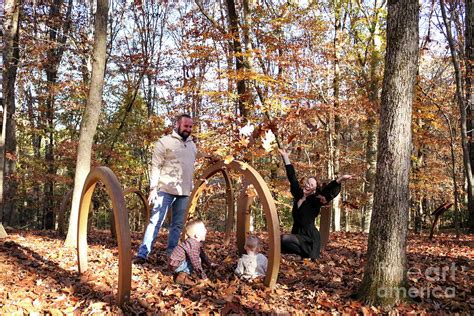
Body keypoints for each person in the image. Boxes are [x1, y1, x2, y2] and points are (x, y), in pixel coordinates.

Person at [133, 114, 197, 264]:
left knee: (177, 225)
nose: (188, 129)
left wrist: (211, 157)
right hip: (164, 190)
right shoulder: (164, 142)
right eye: (185, 126)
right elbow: (156, 165)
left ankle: (171, 255)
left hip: (184, 191)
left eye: (190, 126)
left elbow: (193, 159)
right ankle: (143, 254)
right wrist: (153, 188)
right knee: (155, 222)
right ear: (177, 125)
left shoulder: (192, 145)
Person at [278, 148, 354, 260]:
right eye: (307, 183)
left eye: (311, 185)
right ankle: (301, 255)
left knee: (284, 238)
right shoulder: (298, 194)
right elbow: (292, 177)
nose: (308, 186)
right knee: (280, 241)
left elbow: (328, 191)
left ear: (314, 190)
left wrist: (340, 179)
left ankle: (308, 254)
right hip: (297, 233)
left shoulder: (315, 200)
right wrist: (285, 157)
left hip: (310, 237)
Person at [168, 220, 215, 285]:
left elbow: (202, 254)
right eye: (203, 229)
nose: (206, 230)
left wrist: (210, 264)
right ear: (196, 235)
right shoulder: (192, 245)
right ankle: (181, 277)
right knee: (197, 260)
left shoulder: (194, 242)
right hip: (176, 265)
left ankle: (181, 273)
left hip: (175, 263)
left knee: (198, 257)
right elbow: (196, 263)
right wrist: (204, 278)